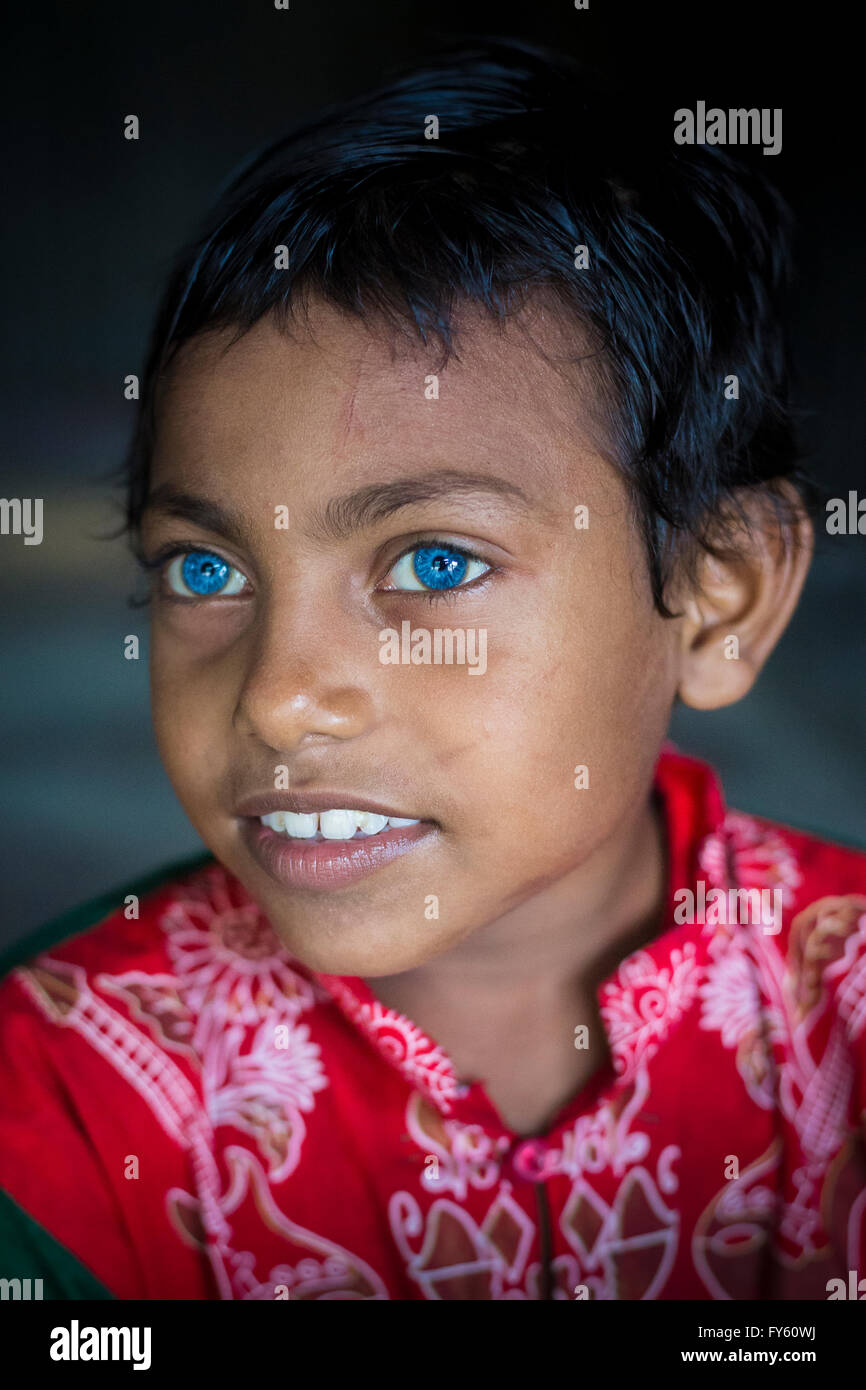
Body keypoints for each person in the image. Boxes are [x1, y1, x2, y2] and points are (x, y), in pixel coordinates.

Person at [1, 39, 864, 1301]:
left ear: (717, 595)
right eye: (204, 570)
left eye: (436, 564)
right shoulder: (57, 1094)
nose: (278, 696)